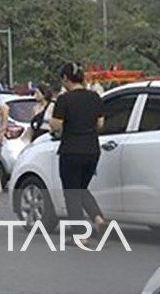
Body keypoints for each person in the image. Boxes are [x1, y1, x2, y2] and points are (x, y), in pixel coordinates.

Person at [50, 62, 108, 240]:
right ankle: (98, 219)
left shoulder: (64, 99)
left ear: (66, 79)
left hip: (71, 150)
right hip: (92, 150)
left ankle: (79, 235)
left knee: (72, 192)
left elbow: (56, 126)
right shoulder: (95, 97)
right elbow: (100, 124)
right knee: (82, 188)